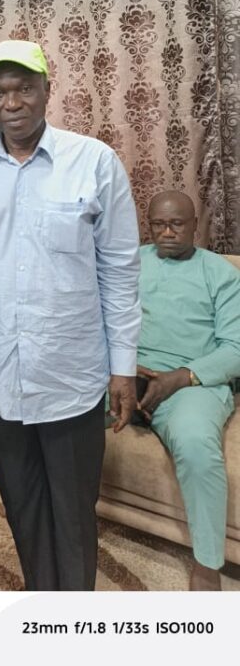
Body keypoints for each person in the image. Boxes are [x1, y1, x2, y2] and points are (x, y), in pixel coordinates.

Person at [0, 39, 140, 591]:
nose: (12, 103)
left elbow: (120, 270)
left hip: (71, 373)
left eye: (24, 89)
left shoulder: (94, 162)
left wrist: (123, 367)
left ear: (46, 90)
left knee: (75, 511)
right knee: (22, 505)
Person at [136, 190, 240, 590]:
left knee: (196, 443)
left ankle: (207, 564)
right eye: (158, 224)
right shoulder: (130, 262)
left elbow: (235, 348)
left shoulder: (220, 273)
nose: (167, 232)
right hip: (127, 377)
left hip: (192, 383)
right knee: (64, 416)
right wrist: (122, 371)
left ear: (196, 226)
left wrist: (178, 378)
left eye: (176, 224)